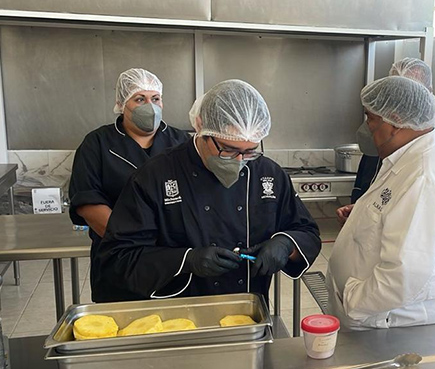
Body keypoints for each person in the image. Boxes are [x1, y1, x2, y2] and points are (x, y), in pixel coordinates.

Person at [94, 79, 321, 303]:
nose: (239, 161)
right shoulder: (155, 175)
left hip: (247, 310)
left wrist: (286, 244)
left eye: (250, 151)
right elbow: (119, 258)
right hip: (179, 314)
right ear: (201, 126)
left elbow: (307, 232)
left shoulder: (269, 174)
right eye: (228, 149)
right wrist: (186, 260)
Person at [326, 76, 435, 330]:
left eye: (370, 118)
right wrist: (364, 214)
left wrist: (354, 302)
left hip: (389, 322)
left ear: (395, 121)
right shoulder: (407, 156)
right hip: (373, 315)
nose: (366, 127)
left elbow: (406, 273)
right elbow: (401, 214)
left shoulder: (425, 176)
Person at [69, 68, 190, 300]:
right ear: (122, 104)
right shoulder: (97, 144)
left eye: (155, 99)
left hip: (174, 258)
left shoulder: (181, 142)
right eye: (140, 99)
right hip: (120, 257)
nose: (150, 106)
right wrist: (133, 243)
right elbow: (88, 203)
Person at [342, 58, 435, 237]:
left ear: (427, 93)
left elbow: (427, 234)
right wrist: (361, 209)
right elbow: (370, 176)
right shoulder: (385, 134)